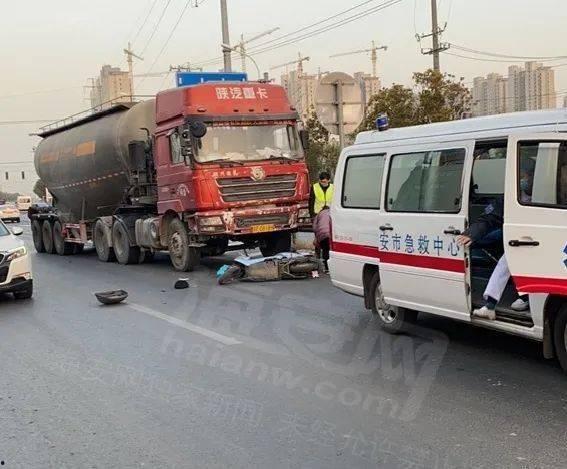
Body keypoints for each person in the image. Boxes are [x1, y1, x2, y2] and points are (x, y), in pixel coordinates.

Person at [457, 159, 535, 320]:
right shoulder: (511, 197)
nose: (522, 180)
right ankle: (492, 305)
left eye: (525, 176)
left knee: (508, 260)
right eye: (520, 176)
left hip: (535, 240)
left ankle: (524, 297)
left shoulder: (547, 195)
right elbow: (489, 217)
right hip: (515, 238)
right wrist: (472, 233)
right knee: (495, 250)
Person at [313, 207, 331, 273]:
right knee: (332, 250)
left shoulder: (319, 214)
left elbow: (314, 227)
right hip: (331, 234)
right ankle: (334, 267)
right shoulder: (332, 212)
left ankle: (327, 268)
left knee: (325, 250)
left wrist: (316, 237)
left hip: (322, 234)